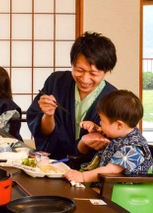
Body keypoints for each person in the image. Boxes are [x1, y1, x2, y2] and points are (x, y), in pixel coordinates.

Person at [26, 31, 118, 162]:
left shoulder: (113, 99)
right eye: (79, 70)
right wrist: (48, 115)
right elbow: (44, 133)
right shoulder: (56, 82)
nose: (85, 79)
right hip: (52, 164)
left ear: (106, 71)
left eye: (93, 73)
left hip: (90, 172)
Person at [64, 90, 153, 187]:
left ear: (119, 125)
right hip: (107, 186)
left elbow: (110, 170)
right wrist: (96, 128)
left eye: (102, 120)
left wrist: (83, 177)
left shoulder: (133, 148)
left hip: (121, 192)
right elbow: (111, 133)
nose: (100, 123)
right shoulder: (122, 133)